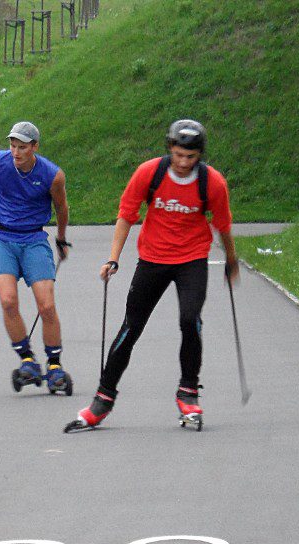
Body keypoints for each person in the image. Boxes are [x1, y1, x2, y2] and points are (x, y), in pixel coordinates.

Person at [64, 119, 239, 432]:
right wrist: (113, 259)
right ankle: (102, 400)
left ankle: (188, 393)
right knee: (131, 327)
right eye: (178, 155)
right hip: (153, 258)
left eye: (191, 157)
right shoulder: (149, 173)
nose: (184, 163)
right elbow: (126, 216)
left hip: (192, 259)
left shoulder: (212, 183)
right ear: (169, 149)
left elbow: (223, 225)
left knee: (190, 320)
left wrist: (232, 260)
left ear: (200, 154)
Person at [0, 121, 73, 394]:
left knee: (46, 305)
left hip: (34, 239)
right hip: (1, 239)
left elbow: (61, 207)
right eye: (13, 146)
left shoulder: (52, 175)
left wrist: (60, 238)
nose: (15, 152)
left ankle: (55, 366)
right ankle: (27, 360)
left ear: (34, 147)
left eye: (22, 147)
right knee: (8, 300)